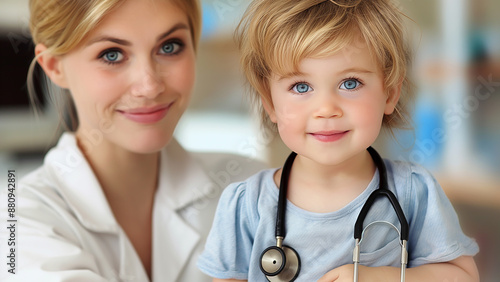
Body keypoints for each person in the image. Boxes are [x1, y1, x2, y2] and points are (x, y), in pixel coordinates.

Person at [197, 0, 480, 281]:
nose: (326, 108)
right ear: (269, 103)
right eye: (301, 86)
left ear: (390, 93)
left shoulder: (414, 193)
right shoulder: (245, 206)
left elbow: (463, 276)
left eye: (350, 83)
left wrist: (375, 277)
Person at [0, 0, 264, 281]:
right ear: (54, 67)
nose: (149, 86)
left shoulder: (253, 187)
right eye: (112, 54)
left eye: (169, 47)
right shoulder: (16, 218)